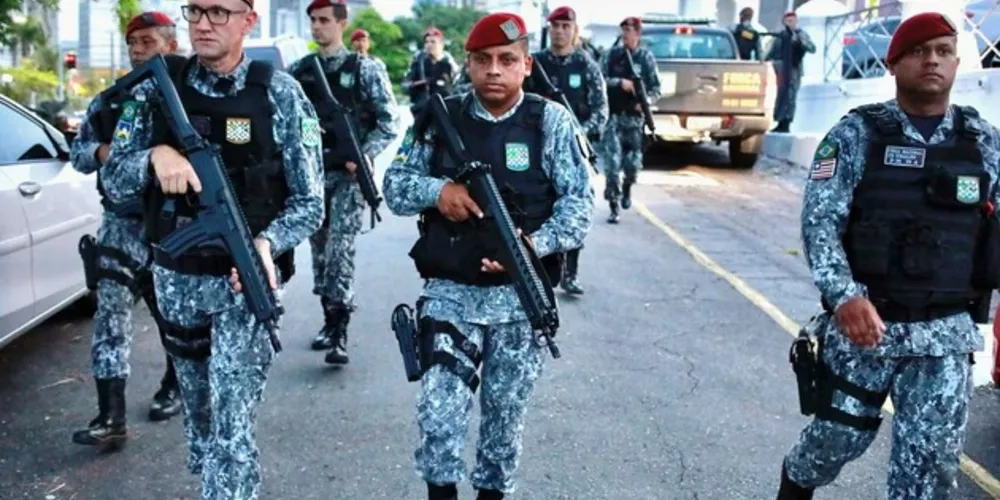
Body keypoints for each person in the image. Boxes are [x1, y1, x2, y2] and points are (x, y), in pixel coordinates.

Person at [100, 0, 324, 496]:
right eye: (196, 10)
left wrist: (267, 244)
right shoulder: (157, 90)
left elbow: (311, 203)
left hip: (246, 284)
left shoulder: (280, 94)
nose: (203, 22)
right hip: (177, 282)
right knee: (201, 426)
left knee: (230, 428)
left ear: (249, 20)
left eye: (219, 12)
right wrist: (154, 157)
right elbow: (112, 181)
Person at [777, 13, 1000, 500]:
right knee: (834, 443)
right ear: (894, 63)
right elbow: (820, 224)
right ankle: (794, 484)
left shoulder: (983, 142)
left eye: (943, 51)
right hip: (865, 330)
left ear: (957, 62)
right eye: (920, 52)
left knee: (929, 468)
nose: (932, 61)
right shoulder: (857, 135)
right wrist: (844, 298)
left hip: (943, 337)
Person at [383, 12, 594, 500]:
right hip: (451, 293)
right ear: (468, 64)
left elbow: (579, 208)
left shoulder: (550, 122)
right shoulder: (441, 119)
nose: (494, 71)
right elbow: (394, 186)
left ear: (525, 65)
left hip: (519, 301)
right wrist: (440, 192)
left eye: (506, 60)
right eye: (483, 61)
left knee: (503, 423)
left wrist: (531, 245)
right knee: (438, 416)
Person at [69, 11, 183, 449]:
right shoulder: (110, 100)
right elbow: (79, 153)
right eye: (133, 42)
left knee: (172, 315)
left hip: (173, 225)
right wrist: (103, 152)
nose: (138, 50)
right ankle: (110, 415)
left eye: (148, 42)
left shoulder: (189, 94)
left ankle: (174, 386)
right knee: (110, 316)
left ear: (170, 45)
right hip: (121, 223)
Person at [287, 0, 400, 364]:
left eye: (323, 21)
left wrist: (365, 154)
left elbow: (388, 120)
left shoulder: (364, 69)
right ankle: (327, 319)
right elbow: (286, 119)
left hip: (350, 177)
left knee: (340, 251)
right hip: (314, 175)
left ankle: (340, 331)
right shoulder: (300, 71)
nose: (317, 27)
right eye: (313, 21)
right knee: (319, 253)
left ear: (341, 23)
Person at [523, 5, 607, 295]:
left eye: (565, 26)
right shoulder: (535, 63)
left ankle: (571, 272)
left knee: (572, 206)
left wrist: (577, 132)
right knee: (537, 206)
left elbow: (601, 111)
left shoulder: (587, 66)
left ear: (575, 31)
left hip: (573, 149)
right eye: (555, 26)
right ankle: (540, 267)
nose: (560, 31)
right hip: (535, 146)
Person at [599, 16, 661, 223]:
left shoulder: (645, 58)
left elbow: (656, 88)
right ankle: (613, 206)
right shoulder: (611, 56)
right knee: (612, 166)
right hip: (614, 118)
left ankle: (627, 187)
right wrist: (619, 83)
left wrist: (645, 102)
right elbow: (598, 80)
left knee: (633, 166)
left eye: (630, 30)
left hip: (634, 120)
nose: (626, 34)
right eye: (623, 29)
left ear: (638, 33)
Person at [766, 11, 816, 133]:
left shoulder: (800, 34)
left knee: (790, 96)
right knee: (781, 96)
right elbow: (772, 52)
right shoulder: (781, 35)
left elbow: (812, 48)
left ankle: (787, 122)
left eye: (792, 21)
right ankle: (780, 121)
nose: (790, 23)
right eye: (787, 21)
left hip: (794, 70)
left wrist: (798, 41)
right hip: (782, 70)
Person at [402, 26, 460, 118]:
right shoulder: (418, 63)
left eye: (433, 42)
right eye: (426, 42)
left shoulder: (450, 64)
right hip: (421, 112)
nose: (429, 45)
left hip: (446, 112)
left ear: (442, 44)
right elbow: (404, 86)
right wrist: (416, 85)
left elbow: (459, 88)